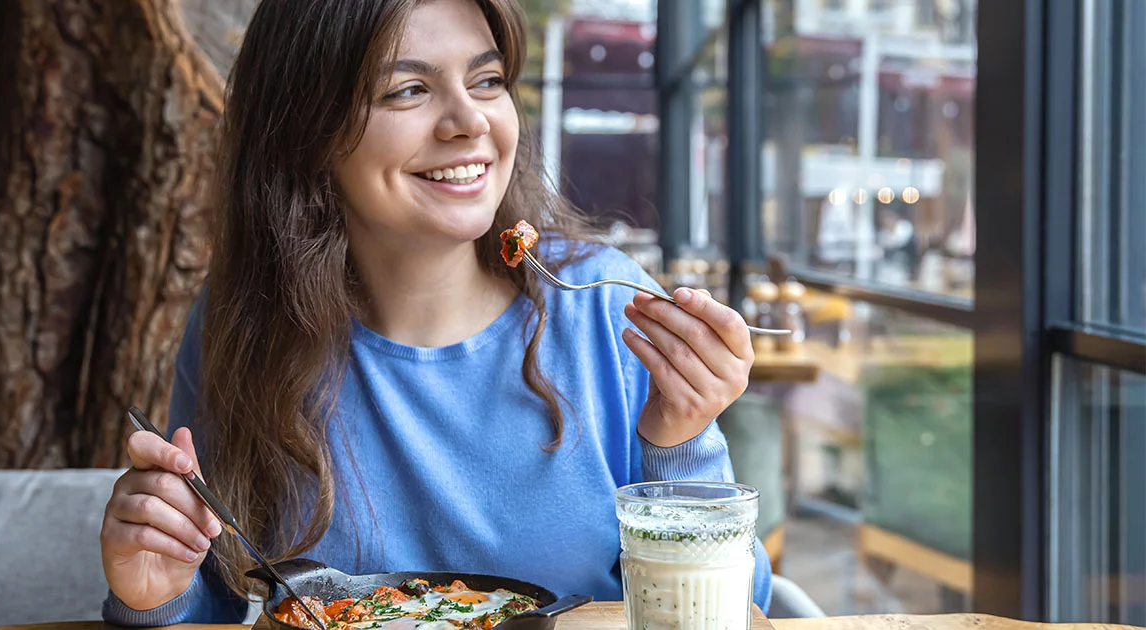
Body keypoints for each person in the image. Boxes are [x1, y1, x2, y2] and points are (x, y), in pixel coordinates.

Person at [99, 0, 772, 624]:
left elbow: (733, 610)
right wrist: (154, 592)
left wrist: (679, 443)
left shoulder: (606, 307)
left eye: (487, 81)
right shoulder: (246, 326)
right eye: (408, 90)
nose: (470, 121)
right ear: (306, 130)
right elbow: (214, 604)